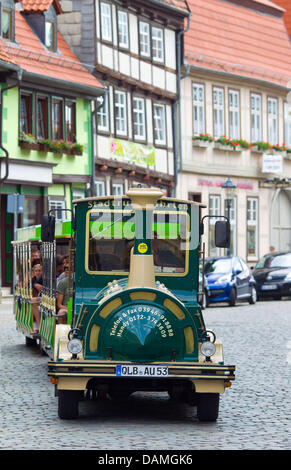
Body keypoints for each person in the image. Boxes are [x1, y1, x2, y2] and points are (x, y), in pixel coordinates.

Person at [31, 263, 43, 332]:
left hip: (44, 299)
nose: (38, 272)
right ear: (33, 272)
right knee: (33, 300)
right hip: (37, 300)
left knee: (34, 300)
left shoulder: (45, 279)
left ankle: (39, 325)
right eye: (36, 271)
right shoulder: (32, 280)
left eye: (39, 270)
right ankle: (39, 325)